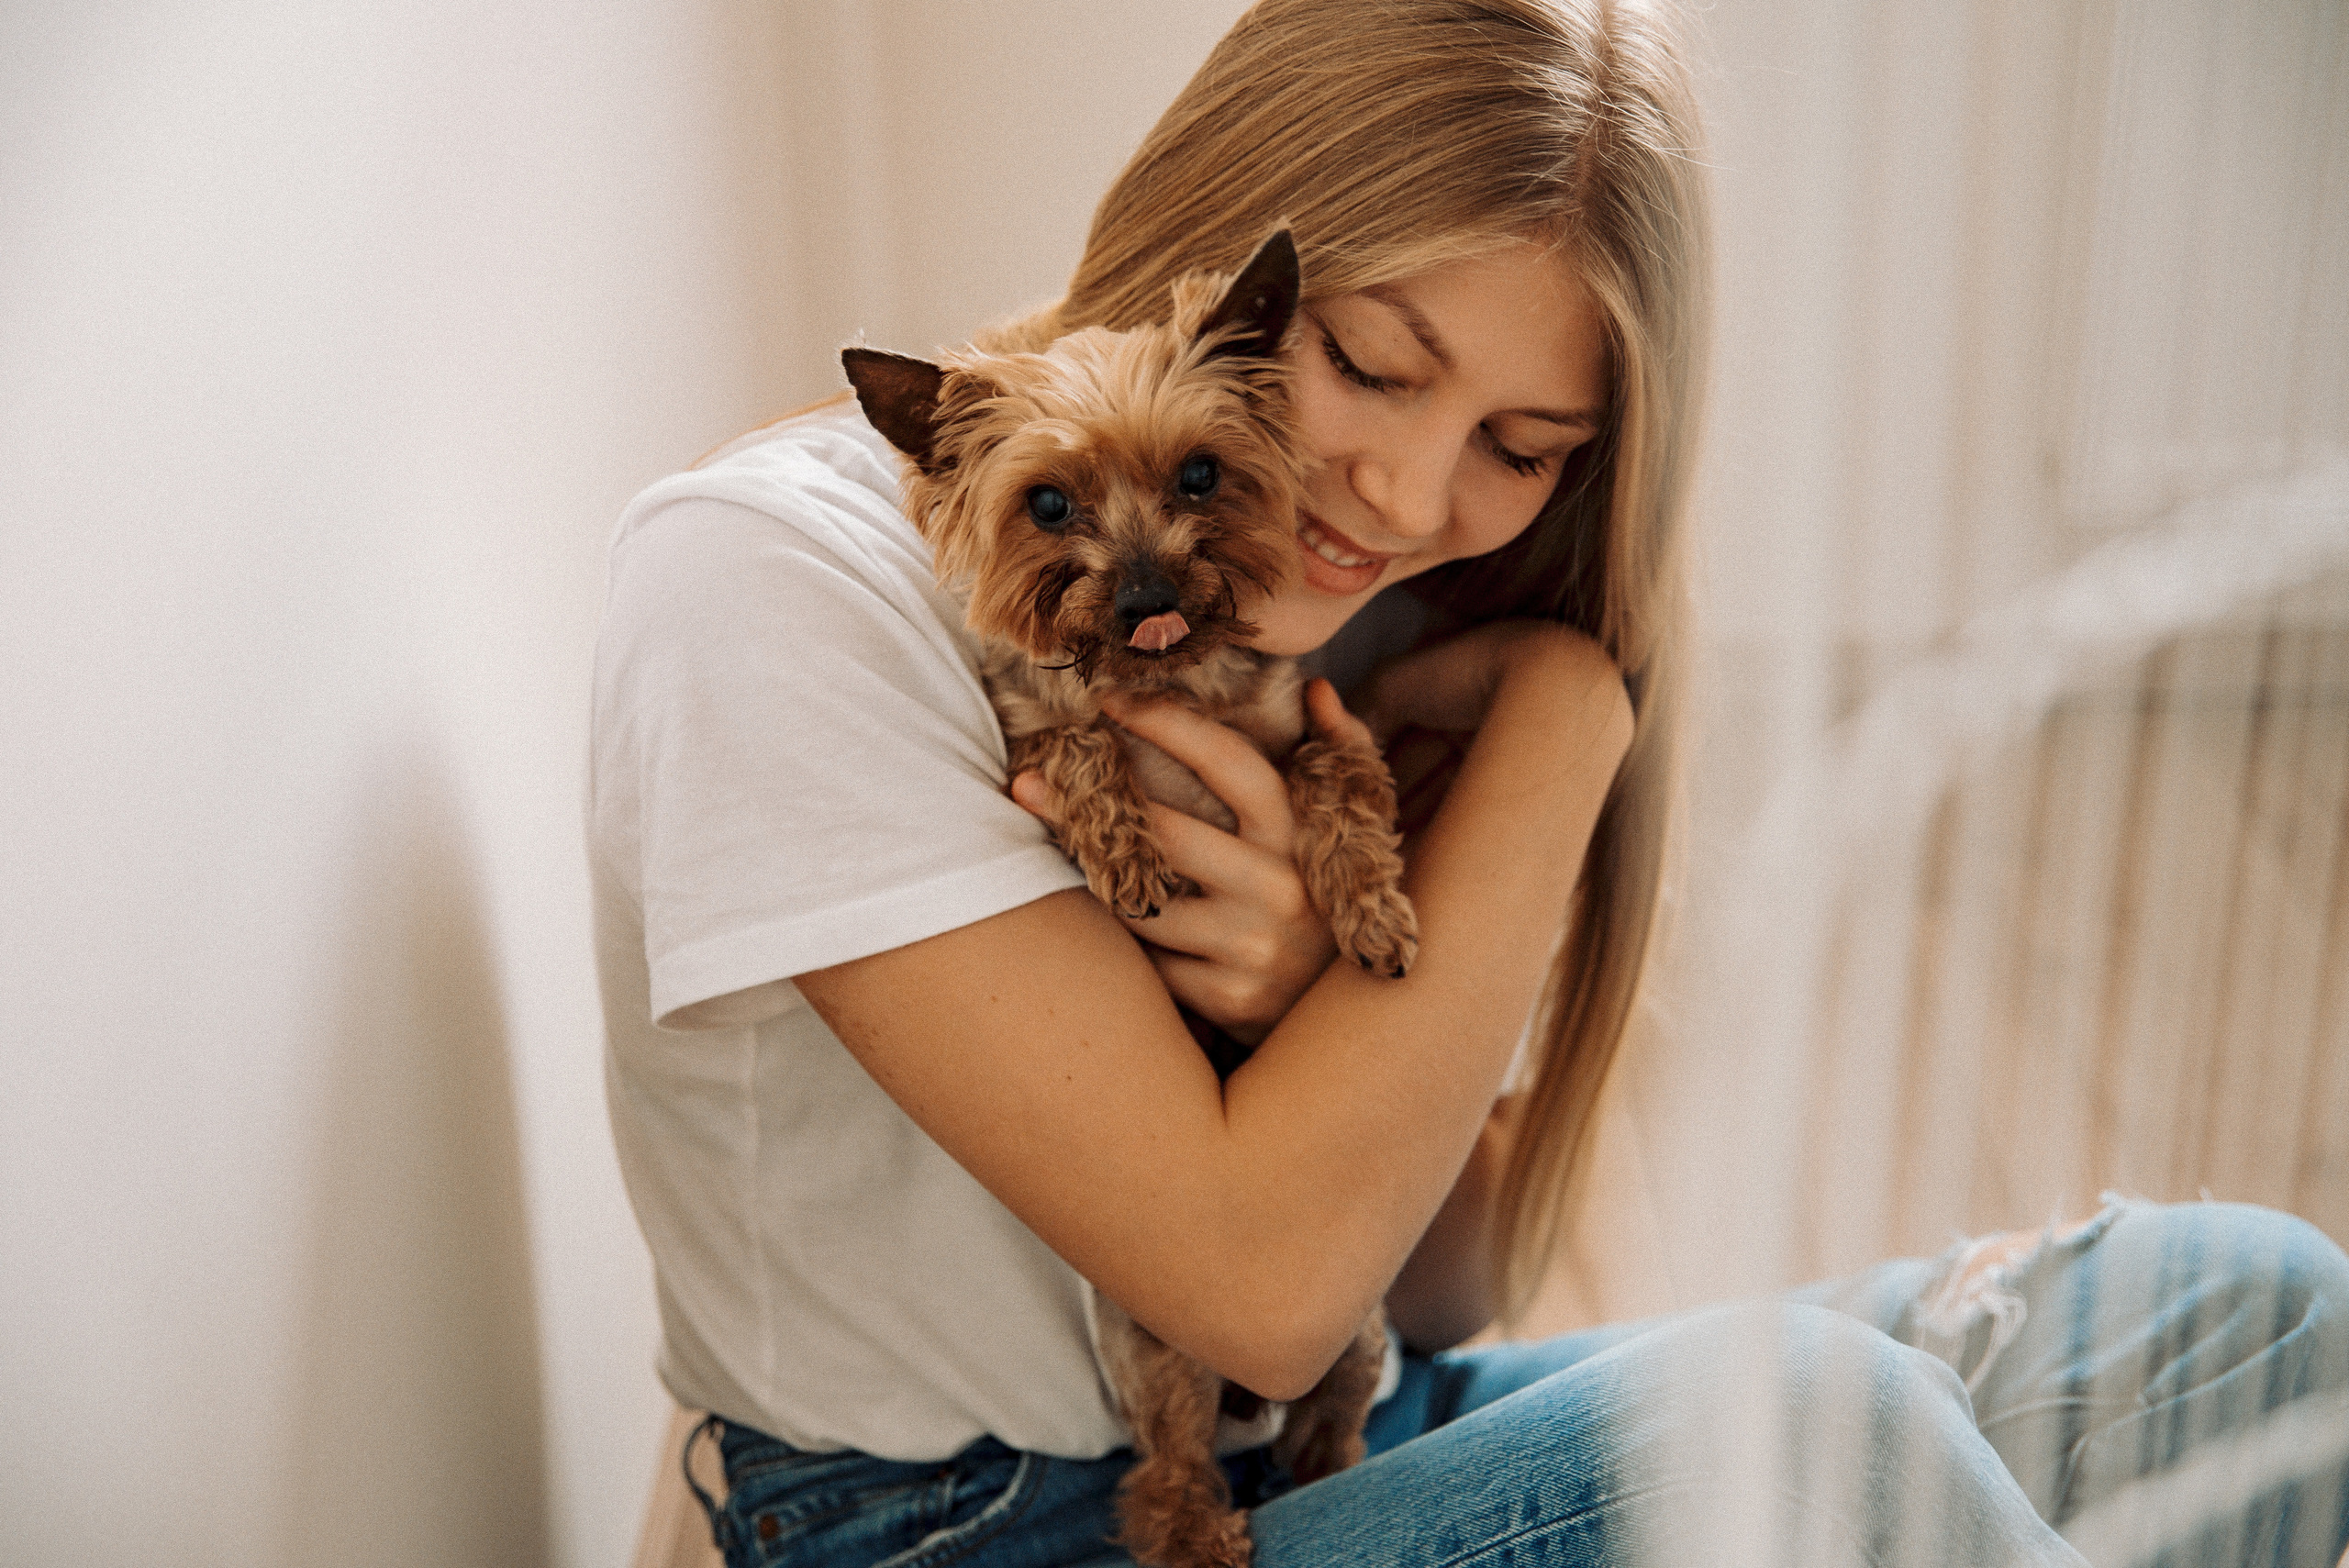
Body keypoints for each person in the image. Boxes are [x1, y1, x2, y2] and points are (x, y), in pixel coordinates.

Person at [587, 1, 2349, 1563]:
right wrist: (1568, 717)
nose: (1415, 503)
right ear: (1232, 264)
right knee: (1832, 1439)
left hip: (1340, 1439)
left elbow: (1443, 1287)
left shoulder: (1362, 620)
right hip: (960, 1525)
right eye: (1365, 363)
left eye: (1523, 448)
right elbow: (1269, 1291)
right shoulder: (770, 584)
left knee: (2266, 1312)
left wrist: (1349, 959)